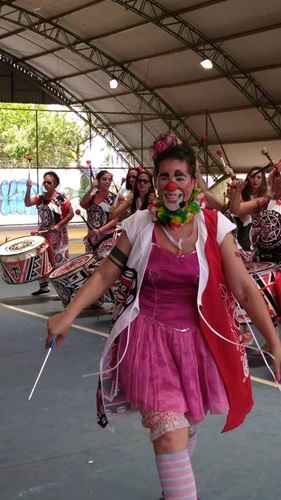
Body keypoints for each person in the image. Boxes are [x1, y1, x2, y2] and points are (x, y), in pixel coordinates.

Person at [47, 135, 281, 500]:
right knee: (169, 430)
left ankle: (171, 489)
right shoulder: (139, 224)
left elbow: (244, 289)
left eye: (180, 176)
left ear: (194, 181)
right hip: (148, 340)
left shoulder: (212, 225)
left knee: (184, 429)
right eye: (164, 176)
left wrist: (276, 343)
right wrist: (68, 313)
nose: (171, 184)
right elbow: (105, 275)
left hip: (197, 344)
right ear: (155, 181)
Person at [25, 171, 74, 295]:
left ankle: (65, 287)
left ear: (55, 184)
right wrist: (28, 188)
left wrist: (58, 226)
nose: (46, 184)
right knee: (42, 259)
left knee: (59, 261)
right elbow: (27, 203)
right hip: (43, 233)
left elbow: (70, 214)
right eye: (44, 182)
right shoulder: (40, 197)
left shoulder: (60, 198)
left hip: (58, 236)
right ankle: (44, 286)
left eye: (49, 182)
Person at [79, 170, 117, 253]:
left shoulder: (114, 198)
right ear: (97, 181)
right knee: (90, 263)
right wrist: (92, 188)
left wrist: (100, 231)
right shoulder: (91, 196)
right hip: (91, 237)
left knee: (103, 263)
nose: (107, 182)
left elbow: (115, 219)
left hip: (107, 236)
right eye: (104, 179)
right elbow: (82, 204)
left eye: (110, 180)